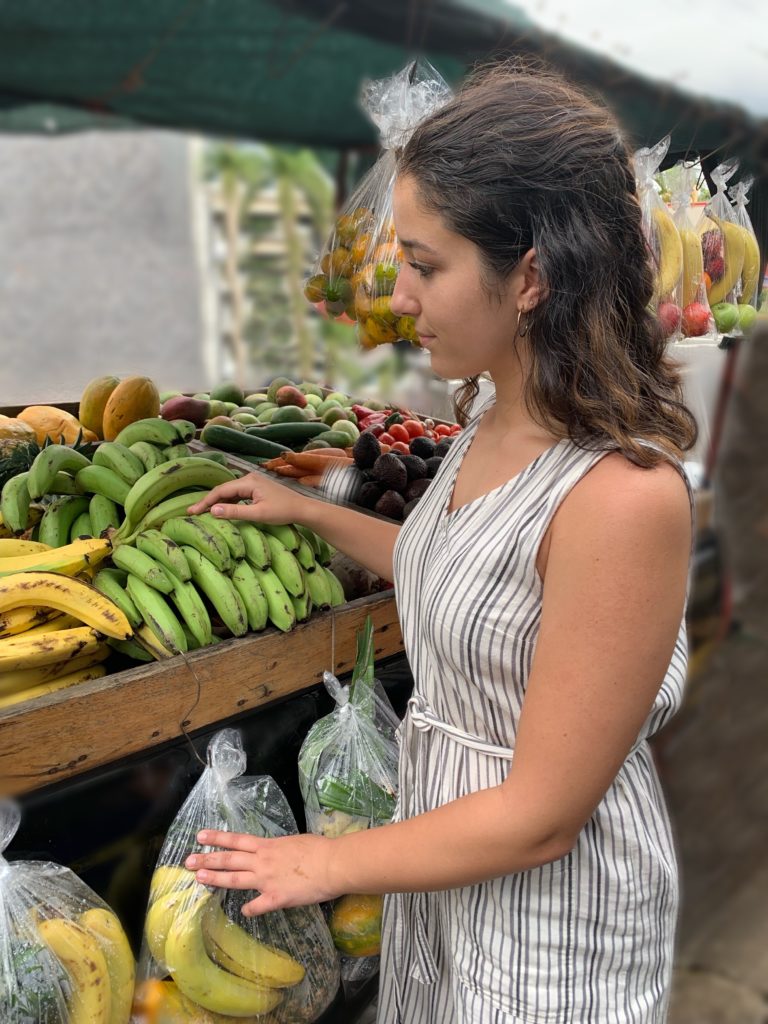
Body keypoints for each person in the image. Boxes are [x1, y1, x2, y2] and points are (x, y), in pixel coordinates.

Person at [185, 61, 697, 1024]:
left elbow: (543, 818)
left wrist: (323, 861)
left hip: (551, 919)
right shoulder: (494, 417)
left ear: (533, 275)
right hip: (447, 870)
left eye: (426, 265)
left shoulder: (623, 498)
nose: (401, 294)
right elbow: (461, 573)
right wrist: (313, 513)